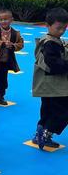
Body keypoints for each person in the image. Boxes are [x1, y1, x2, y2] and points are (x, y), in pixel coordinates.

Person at [32, 8, 68, 149]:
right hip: (55, 86)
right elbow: (53, 64)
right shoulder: (49, 43)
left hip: (46, 85)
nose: (62, 31)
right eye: (58, 28)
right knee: (63, 111)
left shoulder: (53, 41)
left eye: (64, 28)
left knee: (47, 110)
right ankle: (46, 133)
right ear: (48, 25)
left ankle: (40, 130)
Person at [0, 9, 24, 105]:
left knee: (3, 81)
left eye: (6, 19)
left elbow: (21, 44)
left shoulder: (16, 33)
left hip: (6, 61)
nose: (3, 21)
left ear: (11, 19)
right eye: (1, 19)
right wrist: (2, 43)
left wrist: (13, 46)